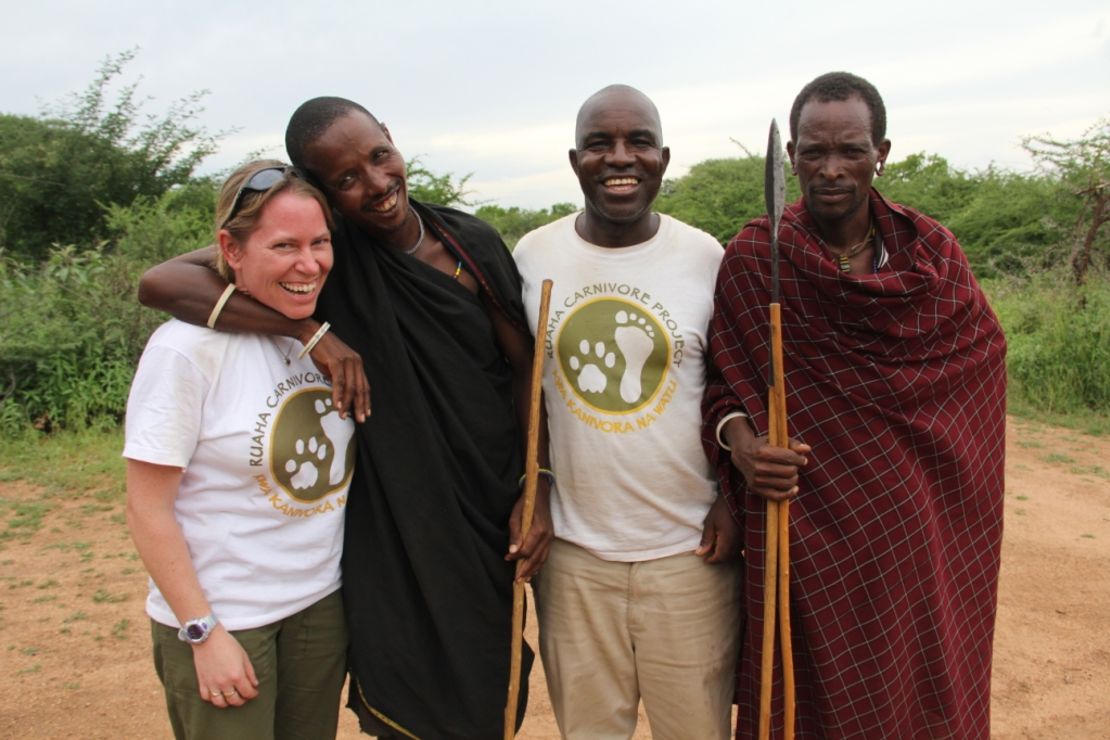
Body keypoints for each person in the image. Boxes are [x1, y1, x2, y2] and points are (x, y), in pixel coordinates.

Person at [138, 98, 552, 739]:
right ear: (324, 195)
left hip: (483, 504)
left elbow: (526, 369)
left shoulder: (470, 245)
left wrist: (538, 485)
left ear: (391, 136)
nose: (377, 185)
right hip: (392, 519)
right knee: (403, 675)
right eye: (347, 180)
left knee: (486, 676)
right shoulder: (334, 255)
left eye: (378, 156)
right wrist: (309, 331)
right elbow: (162, 282)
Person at [703, 71, 1007, 738]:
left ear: (882, 153)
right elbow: (722, 382)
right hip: (804, 530)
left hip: (918, 532)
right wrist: (743, 445)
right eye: (813, 152)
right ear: (791, 159)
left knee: (915, 685)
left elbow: (979, 365)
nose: (831, 170)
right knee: (807, 694)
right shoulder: (760, 257)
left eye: (850, 151)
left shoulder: (932, 255)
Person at [512, 84, 741, 739]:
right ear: (574, 159)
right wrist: (533, 486)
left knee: (695, 730)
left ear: (663, 157)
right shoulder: (534, 258)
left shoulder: (705, 258)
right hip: (574, 558)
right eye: (599, 143)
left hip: (690, 555)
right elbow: (515, 389)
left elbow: (735, 387)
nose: (620, 157)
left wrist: (732, 495)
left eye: (638, 141)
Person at [125, 160, 352, 739]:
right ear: (229, 248)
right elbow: (147, 509)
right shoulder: (185, 350)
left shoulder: (327, 329)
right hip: (229, 619)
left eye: (319, 242)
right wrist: (203, 632)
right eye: (283, 246)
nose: (309, 265)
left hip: (318, 608)